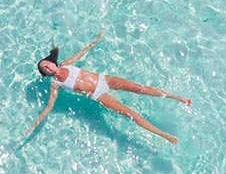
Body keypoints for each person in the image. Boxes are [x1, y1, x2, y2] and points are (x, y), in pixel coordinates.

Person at [24, 30, 191, 144]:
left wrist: (95, 41)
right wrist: (33, 126)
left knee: (141, 89)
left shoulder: (66, 64)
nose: (47, 67)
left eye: (47, 64)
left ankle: (179, 98)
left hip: (106, 81)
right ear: (46, 74)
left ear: (52, 62)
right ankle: (165, 136)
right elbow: (49, 107)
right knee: (132, 115)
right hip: (99, 96)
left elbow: (81, 53)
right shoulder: (56, 85)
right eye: (44, 69)